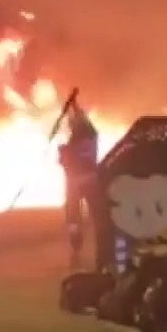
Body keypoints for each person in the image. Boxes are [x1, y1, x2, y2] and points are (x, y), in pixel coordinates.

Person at [57, 101, 99, 262]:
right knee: (91, 211)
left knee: (75, 212)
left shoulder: (82, 140)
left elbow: (64, 162)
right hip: (86, 180)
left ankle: (78, 238)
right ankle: (80, 237)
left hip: (78, 181)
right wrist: (72, 108)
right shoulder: (90, 138)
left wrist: (73, 107)